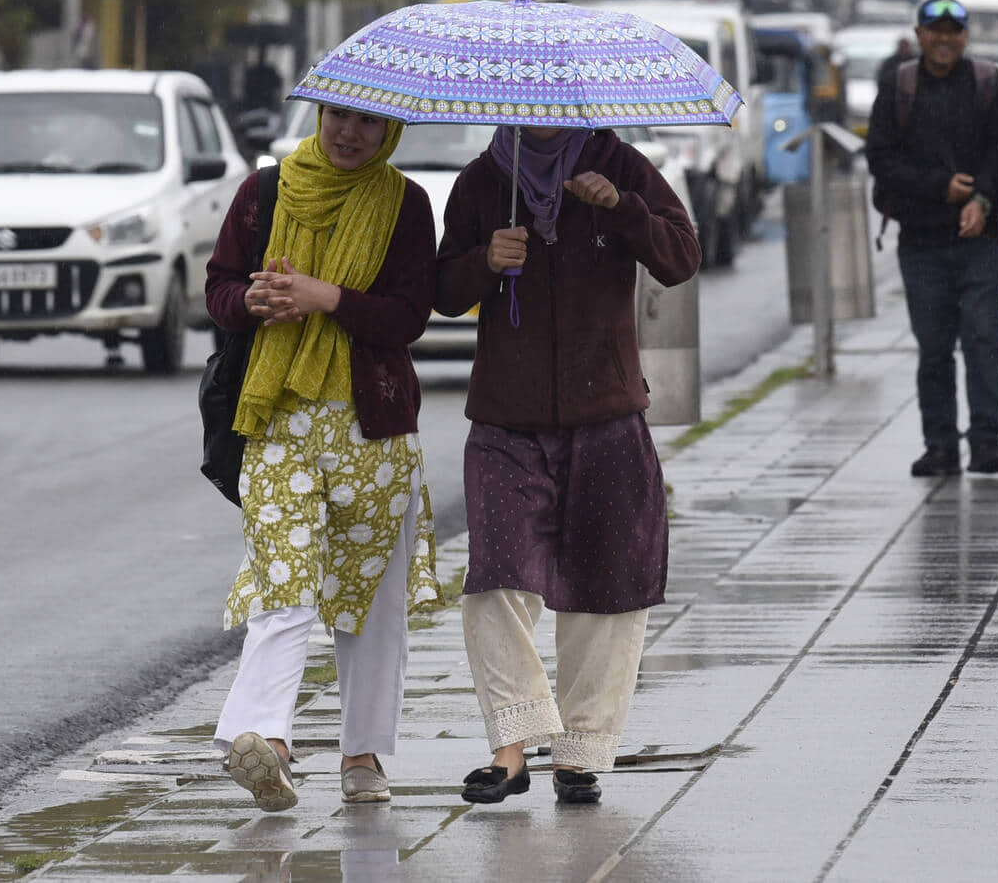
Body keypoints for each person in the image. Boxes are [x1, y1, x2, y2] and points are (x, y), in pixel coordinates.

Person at [434, 124, 698, 805]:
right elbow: (439, 288)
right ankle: (512, 747)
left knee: (606, 584)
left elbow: (682, 257)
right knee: (495, 575)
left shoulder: (619, 163)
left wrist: (623, 208)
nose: (543, 105)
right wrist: (485, 261)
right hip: (504, 416)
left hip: (605, 411)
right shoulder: (481, 180)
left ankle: (582, 751)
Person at [203, 105, 443, 811]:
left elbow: (409, 317)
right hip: (278, 419)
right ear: (318, 113)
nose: (349, 133)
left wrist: (326, 297)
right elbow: (218, 289)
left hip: (374, 429)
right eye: (338, 115)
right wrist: (248, 298)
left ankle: (361, 751)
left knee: (369, 600)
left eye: (368, 123)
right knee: (284, 580)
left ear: (390, 131)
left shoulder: (405, 203)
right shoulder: (264, 193)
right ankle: (265, 742)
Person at [865, 0, 998, 477]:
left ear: (965, 36)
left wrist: (981, 199)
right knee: (933, 346)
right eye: (935, 30)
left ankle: (987, 441)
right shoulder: (898, 86)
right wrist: (940, 188)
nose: (944, 39)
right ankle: (940, 443)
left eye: (954, 31)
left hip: (981, 239)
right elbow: (881, 159)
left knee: (982, 337)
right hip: (922, 240)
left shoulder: (989, 84)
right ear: (920, 33)